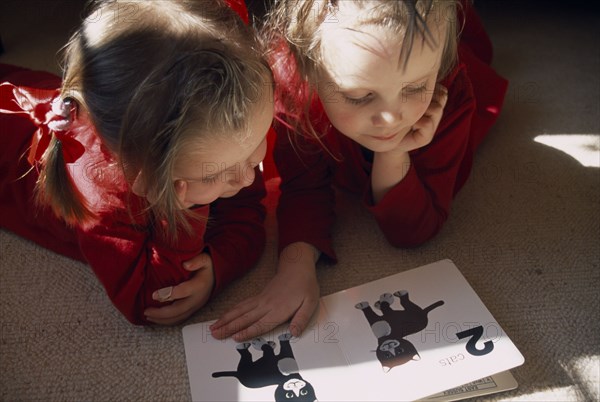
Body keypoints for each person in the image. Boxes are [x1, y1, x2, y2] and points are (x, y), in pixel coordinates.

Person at [210, 0, 508, 341]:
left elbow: (413, 231)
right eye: (359, 96)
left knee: (469, 38)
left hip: (449, 47)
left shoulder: (447, 92)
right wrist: (296, 266)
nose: (392, 118)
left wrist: (394, 152)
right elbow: (305, 186)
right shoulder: (292, 84)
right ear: (308, 66)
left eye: (413, 88)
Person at [0, 0, 274, 325]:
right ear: (147, 173)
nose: (246, 176)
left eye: (257, 143)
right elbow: (152, 301)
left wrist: (221, 264)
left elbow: (248, 212)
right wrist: (181, 214)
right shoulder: (100, 195)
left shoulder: (225, 139)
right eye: (218, 173)